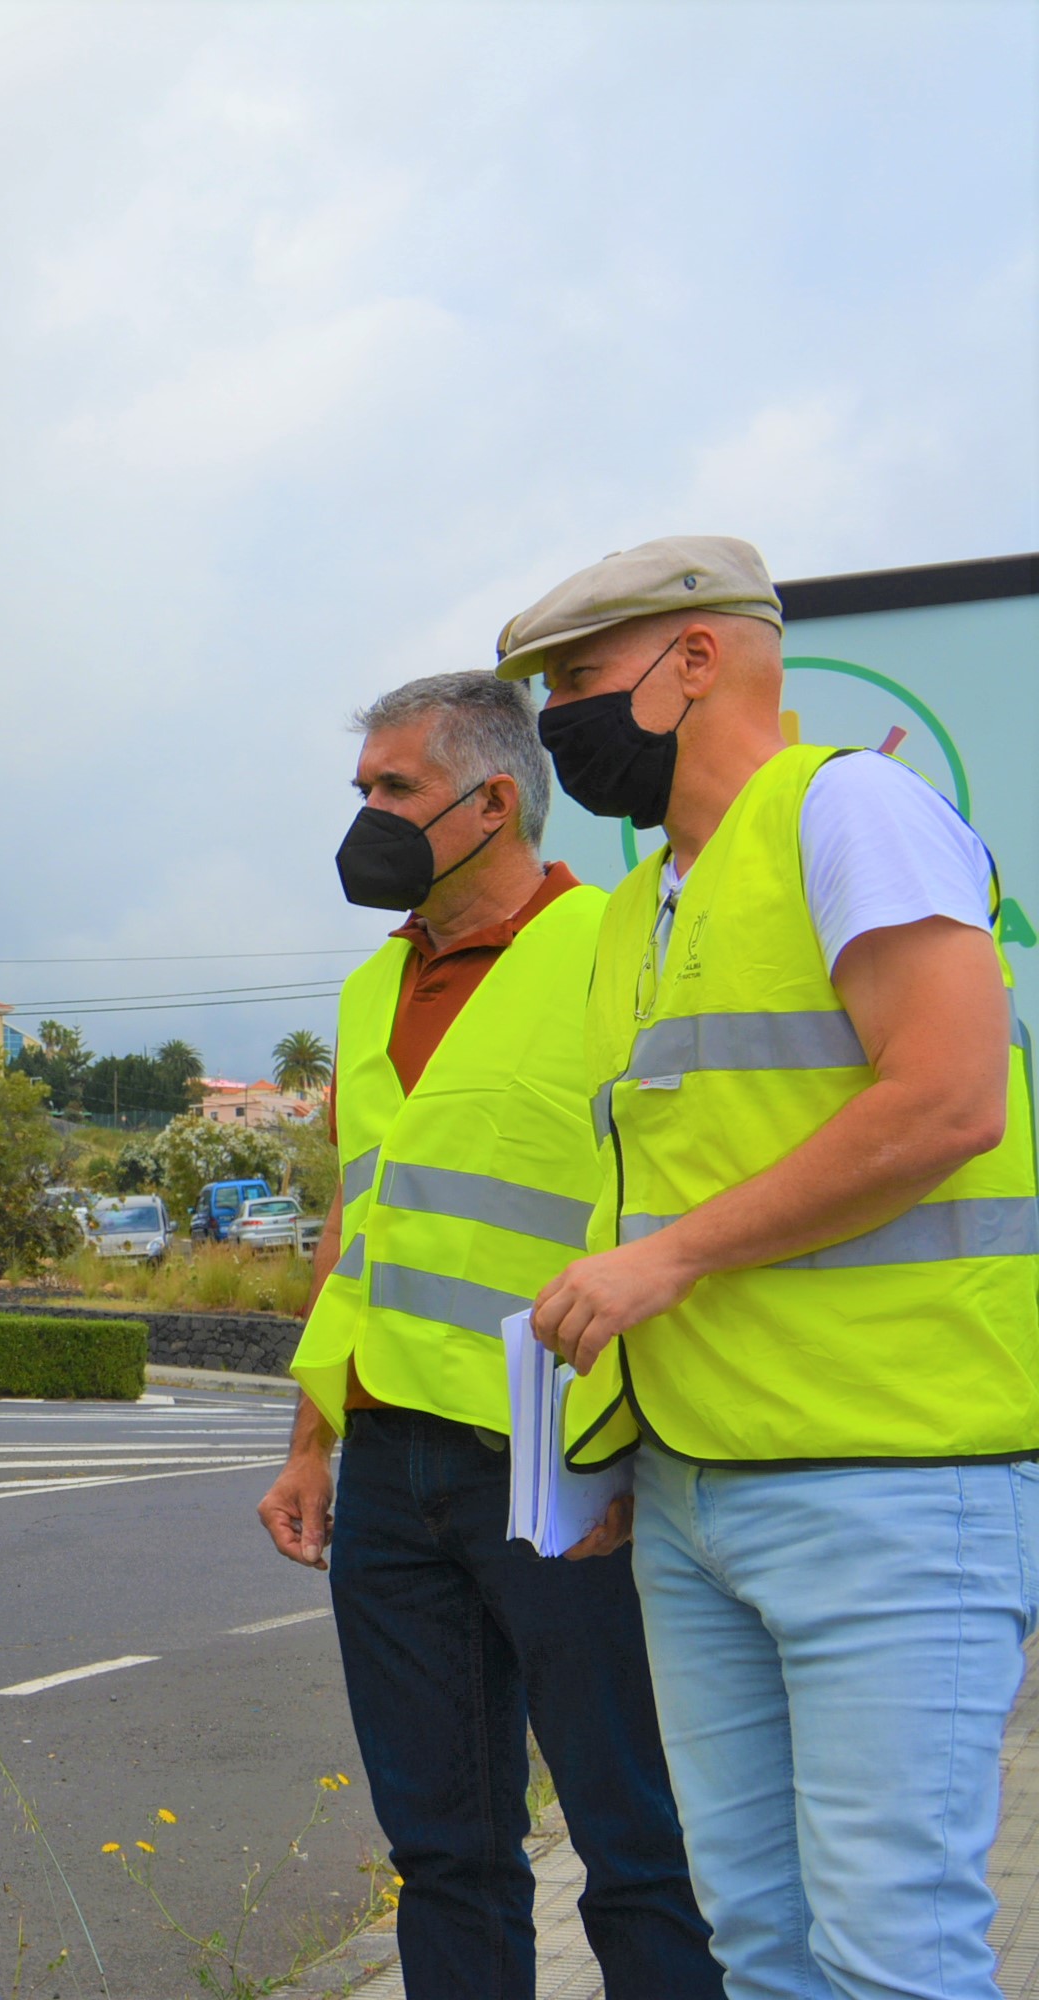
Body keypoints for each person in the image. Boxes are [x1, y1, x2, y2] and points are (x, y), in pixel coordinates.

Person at [516, 536, 1039, 1996]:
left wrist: (665, 1263)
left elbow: (948, 1099)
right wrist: (612, 1455)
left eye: (579, 681)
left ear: (697, 662)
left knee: (891, 1952)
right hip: (695, 1490)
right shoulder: (637, 907)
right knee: (760, 1944)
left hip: (888, 1473)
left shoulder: (851, 807)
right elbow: (648, 1197)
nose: (561, 720)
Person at [262, 674, 719, 1994]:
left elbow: (683, 1195)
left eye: (393, 791)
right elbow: (360, 1233)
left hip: (571, 1469)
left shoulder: (614, 952)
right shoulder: (366, 994)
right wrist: (311, 1443)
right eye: (360, 793)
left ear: (493, 801)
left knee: (639, 1848)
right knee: (445, 1851)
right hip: (396, 1480)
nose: (365, 819)